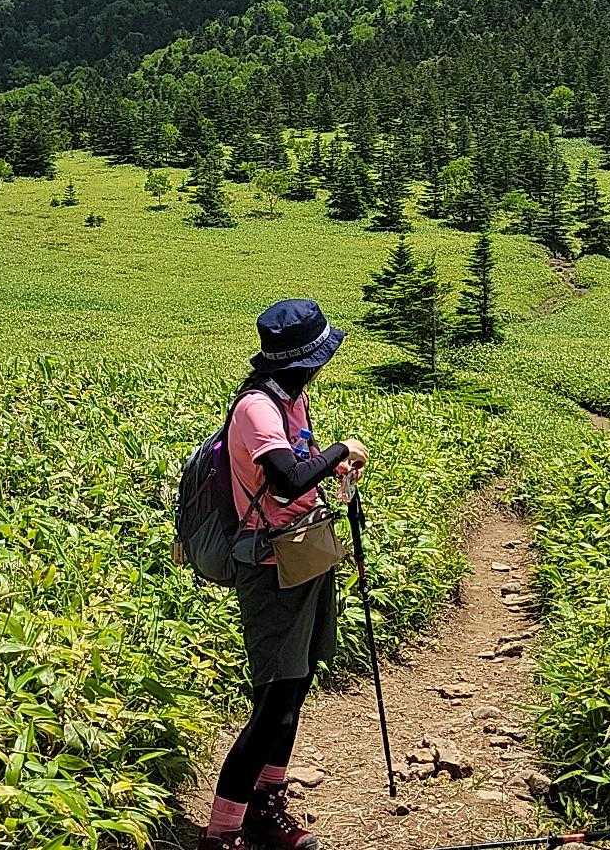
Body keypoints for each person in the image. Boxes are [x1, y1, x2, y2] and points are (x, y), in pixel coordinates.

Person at [200, 299, 368, 850]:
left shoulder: (293, 400)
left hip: (303, 552)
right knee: (273, 700)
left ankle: (265, 808)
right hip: (271, 566)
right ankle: (223, 830)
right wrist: (341, 449)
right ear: (307, 359)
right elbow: (288, 479)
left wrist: (333, 464)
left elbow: (299, 470)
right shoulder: (257, 408)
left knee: (295, 688)